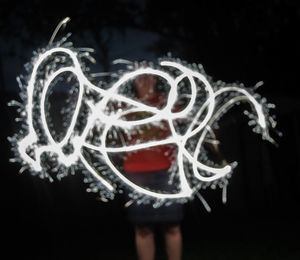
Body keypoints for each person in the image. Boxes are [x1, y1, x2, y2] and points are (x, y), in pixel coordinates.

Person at [122, 74, 184, 260]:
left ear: (157, 80)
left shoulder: (167, 102)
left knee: (172, 226)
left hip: (166, 170)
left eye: (150, 77)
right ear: (133, 81)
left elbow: (185, 121)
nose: (146, 81)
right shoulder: (124, 105)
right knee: (143, 228)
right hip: (135, 173)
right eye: (140, 78)